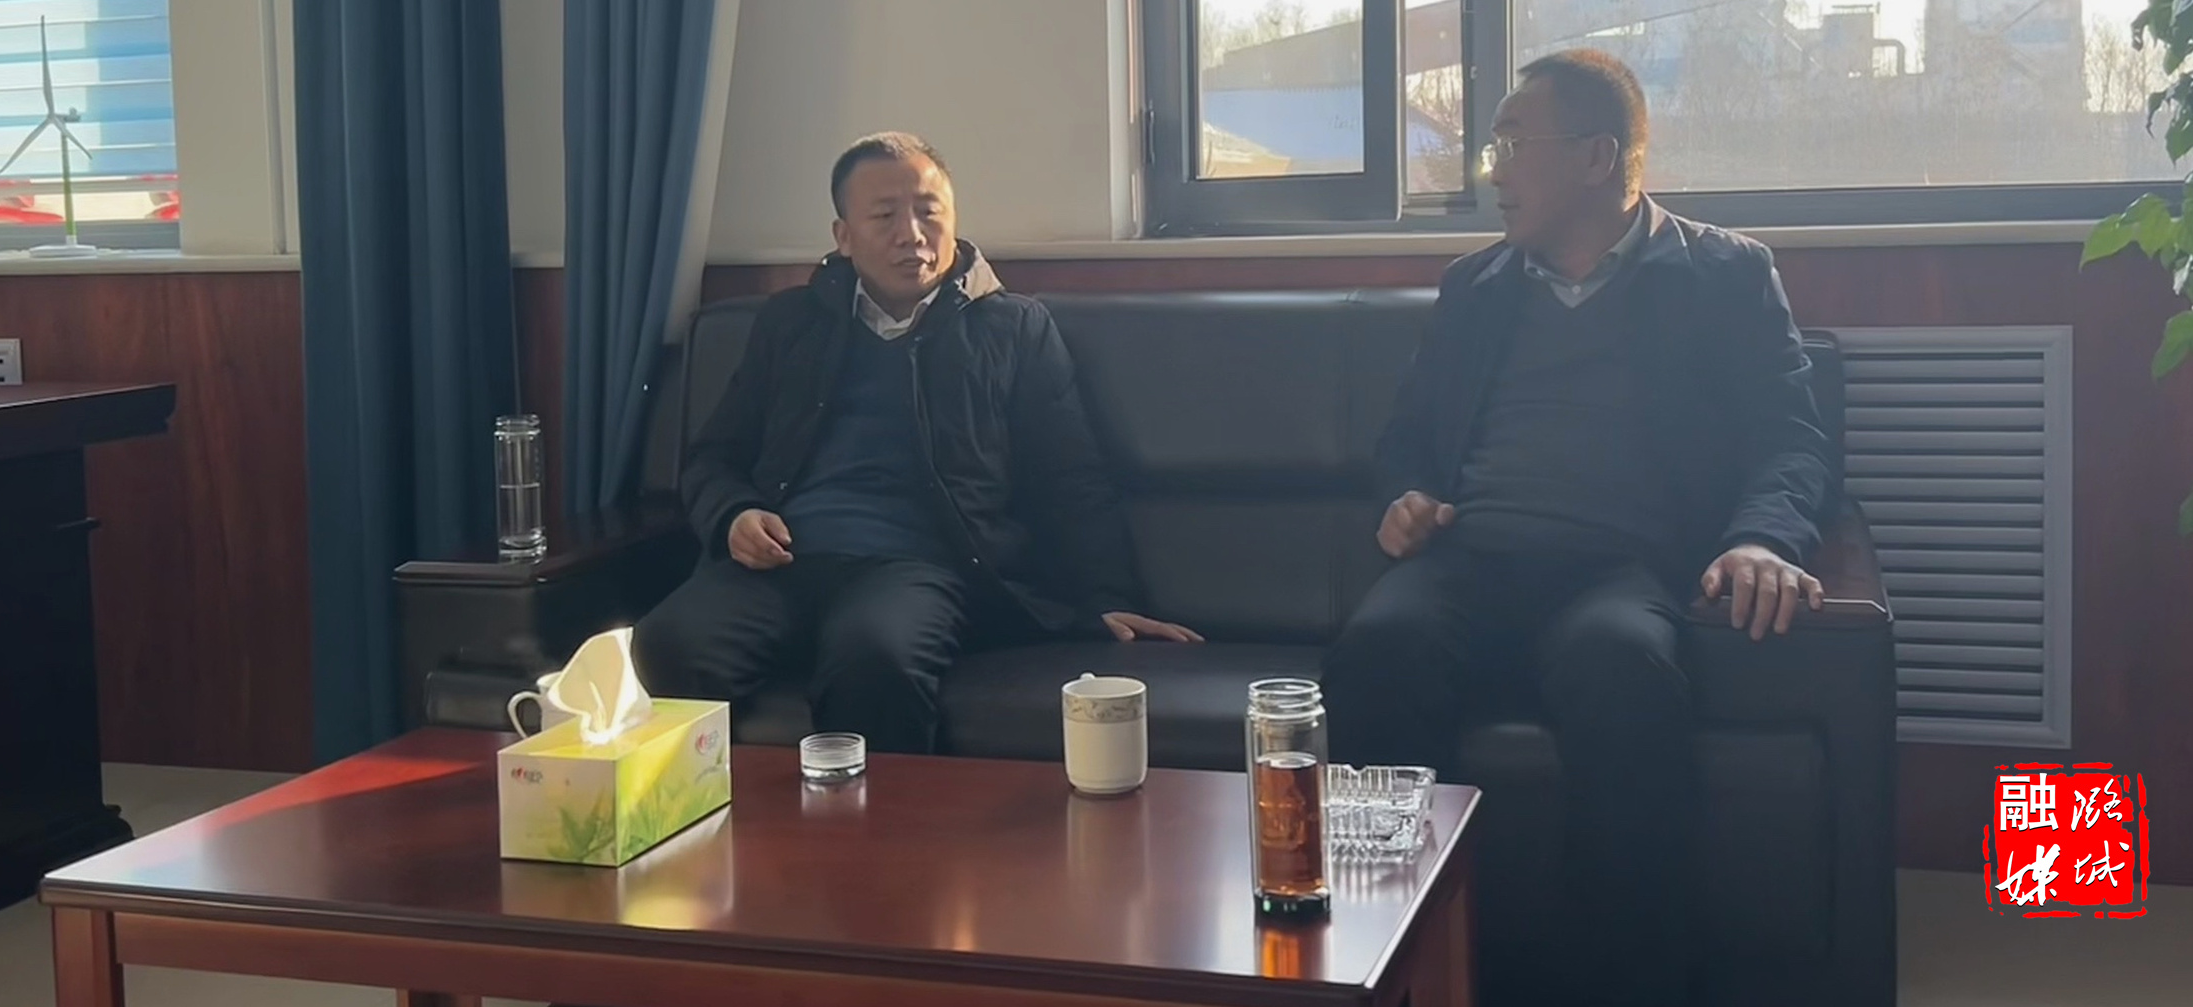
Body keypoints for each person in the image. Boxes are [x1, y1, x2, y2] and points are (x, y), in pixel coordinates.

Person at [1322, 50, 1832, 1007]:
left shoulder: (1725, 275)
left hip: (1623, 567)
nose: (1494, 171)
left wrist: (1762, 538)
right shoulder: (1474, 286)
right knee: (1377, 648)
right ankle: (1384, 974)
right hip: (1471, 559)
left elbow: (1791, 440)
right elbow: (1408, 441)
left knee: (1620, 665)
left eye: (1513, 144)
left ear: (1599, 157)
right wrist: (1408, 494)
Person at [632, 132, 1198, 754]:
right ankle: (720, 811)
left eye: (929, 212)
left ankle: (875, 822)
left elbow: (1071, 477)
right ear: (844, 236)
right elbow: (714, 456)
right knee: (668, 642)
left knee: (874, 656)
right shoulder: (790, 323)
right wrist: (733, 515)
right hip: (786, 560)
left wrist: (1105, 602)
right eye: (884, 217)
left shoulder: (1012, 327)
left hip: (919, 569)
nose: (912, 234)